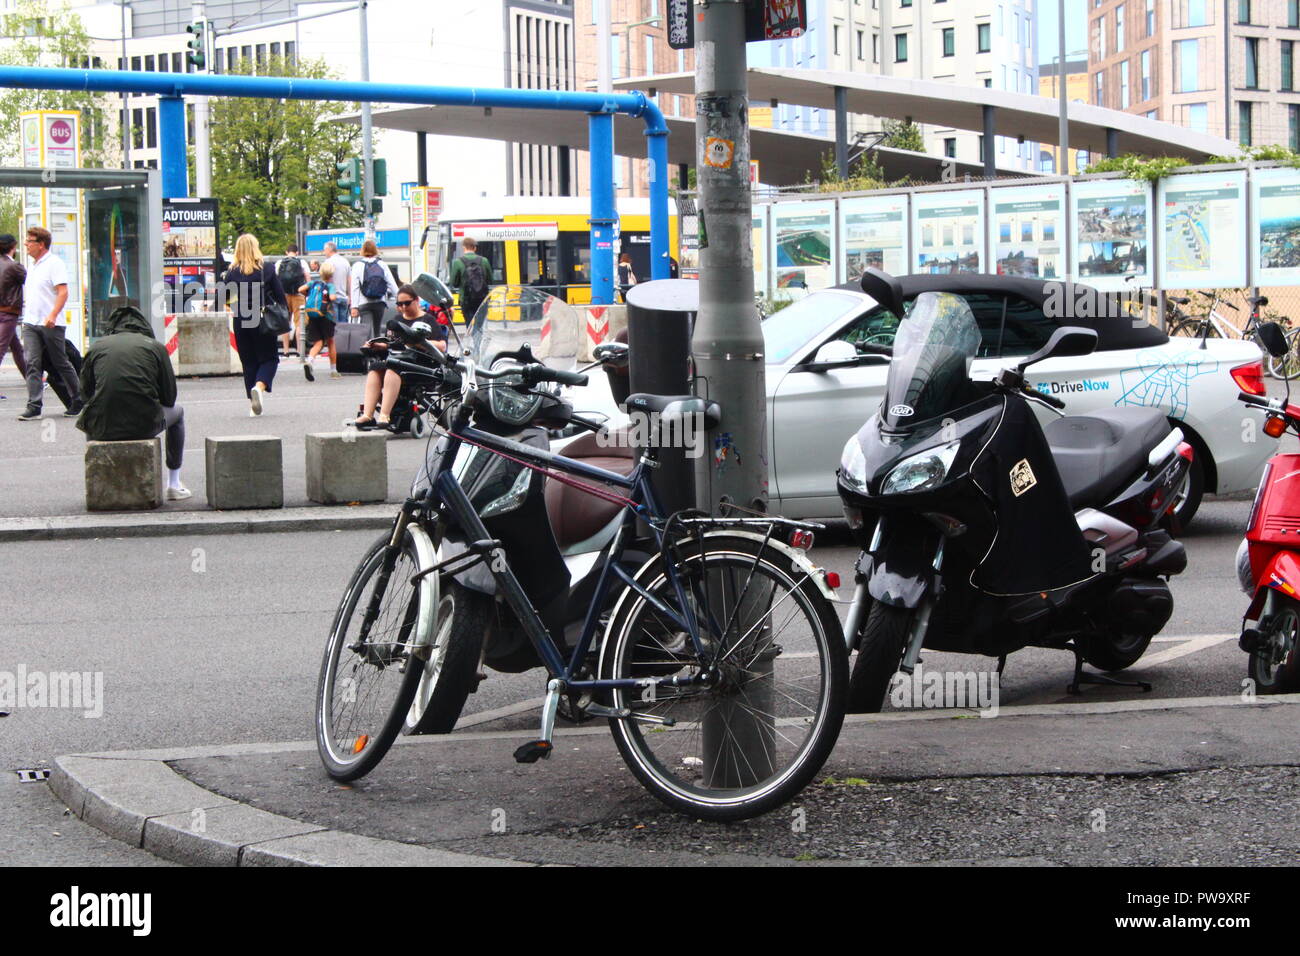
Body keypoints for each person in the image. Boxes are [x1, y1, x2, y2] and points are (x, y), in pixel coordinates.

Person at [77, 305, 190, 501]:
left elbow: (85, 395)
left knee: (92, 414)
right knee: (178, 413)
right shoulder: (155, 347)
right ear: (144, 326)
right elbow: (170, 398)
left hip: (102, 429)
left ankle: (97, 481)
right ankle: (174, 484)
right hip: (145, 425)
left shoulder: (97, 347)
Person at [354, 283, 448, 429]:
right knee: (375, 368)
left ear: (416, 301)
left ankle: (385, 414)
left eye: (407, 303)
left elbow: (442, 346)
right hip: (399, 359)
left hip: (421, 364)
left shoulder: (427, 320)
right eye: (399, 304)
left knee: (393, 367)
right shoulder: (397, 320)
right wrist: (378, 345)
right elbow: (391, 343)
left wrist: (418, 342)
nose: (403, 307)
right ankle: (368, 414)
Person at [17, 227, 81, 421]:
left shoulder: (54, 263)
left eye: (30, 241)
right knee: (32, 363)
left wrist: (53, 314)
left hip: (51, 323)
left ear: (41, 244)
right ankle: (34, 405)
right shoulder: (34, 265)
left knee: (61, 362)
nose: (26, 244)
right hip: (31, 322)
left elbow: (63, 292)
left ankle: (78, 400)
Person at [221, 232, 286, 416]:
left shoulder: (232, 272)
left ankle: (253, 404)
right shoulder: (267, 268)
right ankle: (259, 387)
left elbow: (226, 299)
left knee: (248, 362)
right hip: (262, 319)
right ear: (256, 247)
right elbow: (280, 296)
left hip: (241, 320)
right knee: (270, 358)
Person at [299, 262, 340, 381]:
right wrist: (329, 297)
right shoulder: (330, 286)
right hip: (326, 317)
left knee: (318, 342)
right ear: (331, 274)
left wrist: (309, 294)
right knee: (330, 341)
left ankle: (310, 361)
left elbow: (300, 289)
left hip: (313, 315)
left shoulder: (313, 283)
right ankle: (333, 370)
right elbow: (332, 298)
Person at [350, 239, 399, 337]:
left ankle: (369, 351)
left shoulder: (357, 265)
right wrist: (399, 300)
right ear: (375, 250)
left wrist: (354, 306)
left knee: (367, 332)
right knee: (377, 331)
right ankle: (377, 350)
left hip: (364, 303)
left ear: (362, 250)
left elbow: (354, 288)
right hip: (379, 302)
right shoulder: (382, 264)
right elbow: (391, 283)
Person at [0, 234, 28, 393]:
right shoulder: (15, 266)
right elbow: (30, 281)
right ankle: (33, 379)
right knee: (1, 348)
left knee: (16, 348)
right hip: (8, 312)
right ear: (13, 247)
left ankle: (32, 379)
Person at [448, 236, 493, 325]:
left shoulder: (457, 262)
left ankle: (471, 338)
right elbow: (490, 280)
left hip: (466, 299)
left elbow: (454, 283)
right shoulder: (484, 261)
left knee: (469, 325)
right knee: (480, 326)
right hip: (482, 299)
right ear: (475, 248)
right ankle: (478, 339)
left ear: (463, 247)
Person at [276, 242, 308, 357]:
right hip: (298, 294)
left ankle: (286, 351)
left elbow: (276, 280)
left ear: (286, 252)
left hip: (284, 295)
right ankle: (299, 350)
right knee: (299, 323)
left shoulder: (280, 262)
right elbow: (308, 279)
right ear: (297, 252)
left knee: (285, 322)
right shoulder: (302, 262)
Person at [323, 241, 351, 325]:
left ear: (329, 249)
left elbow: (325, 281)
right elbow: (349, 280)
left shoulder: (327, 262)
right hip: (344, 298)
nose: (324, 252)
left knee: (333, 326)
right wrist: (349, 296)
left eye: (324, 250)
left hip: (332, 298)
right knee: (343, 327)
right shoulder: (345, 262)